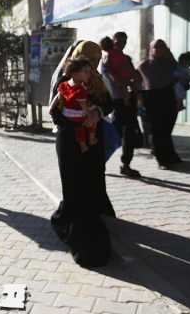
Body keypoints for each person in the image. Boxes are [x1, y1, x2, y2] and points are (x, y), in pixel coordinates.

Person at [49, 40, 115, 268]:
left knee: (91, 184)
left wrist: (96, 111)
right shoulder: (64, 81)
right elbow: (55, 112)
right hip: (69, 141)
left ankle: (93, 229)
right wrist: (75, 123)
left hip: (93, 143)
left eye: (97, 60)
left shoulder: (96, 80)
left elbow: (108, 104)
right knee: (74, 187)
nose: (95, 65)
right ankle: (77, 235)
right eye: (91, 60)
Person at [100, 33, 143, 177]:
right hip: (116, 101)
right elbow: (115, 80)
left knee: (128, 133)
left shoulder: (125, 58)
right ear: (113, 42)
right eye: (118, 41)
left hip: (127, 100)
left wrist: (133, 86)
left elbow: (134, 76)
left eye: (124, 41)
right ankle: (98, 163)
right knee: (115, 134)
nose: (121, 44)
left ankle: (126, 165)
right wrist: (127, 84)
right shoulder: (106, 59)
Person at [138, 40, 181, 169]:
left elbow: (179, 77)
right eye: (155, 47)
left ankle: (170, 155)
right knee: (157, 130)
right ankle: (162, 159)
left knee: (166, 129)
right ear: (150, 49)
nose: (158, 49)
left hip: (168, 96)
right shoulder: (143, 65)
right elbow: (139, 83)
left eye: (161, 47)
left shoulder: (170, 63)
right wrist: (139, 101)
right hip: (152, 99)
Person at [50, 59, 99, 153]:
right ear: (75, 74)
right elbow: (84, 109)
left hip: (66, 114)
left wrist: (52, 109)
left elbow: (55, 102)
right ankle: (91, 139)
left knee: (79, 128)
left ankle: (83, 145)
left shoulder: (63, 84)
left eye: (89, 72)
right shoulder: (80, 90)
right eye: (86, 72)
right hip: (77, 115)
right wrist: (90, 117)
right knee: (92, 122)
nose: (89, 74)